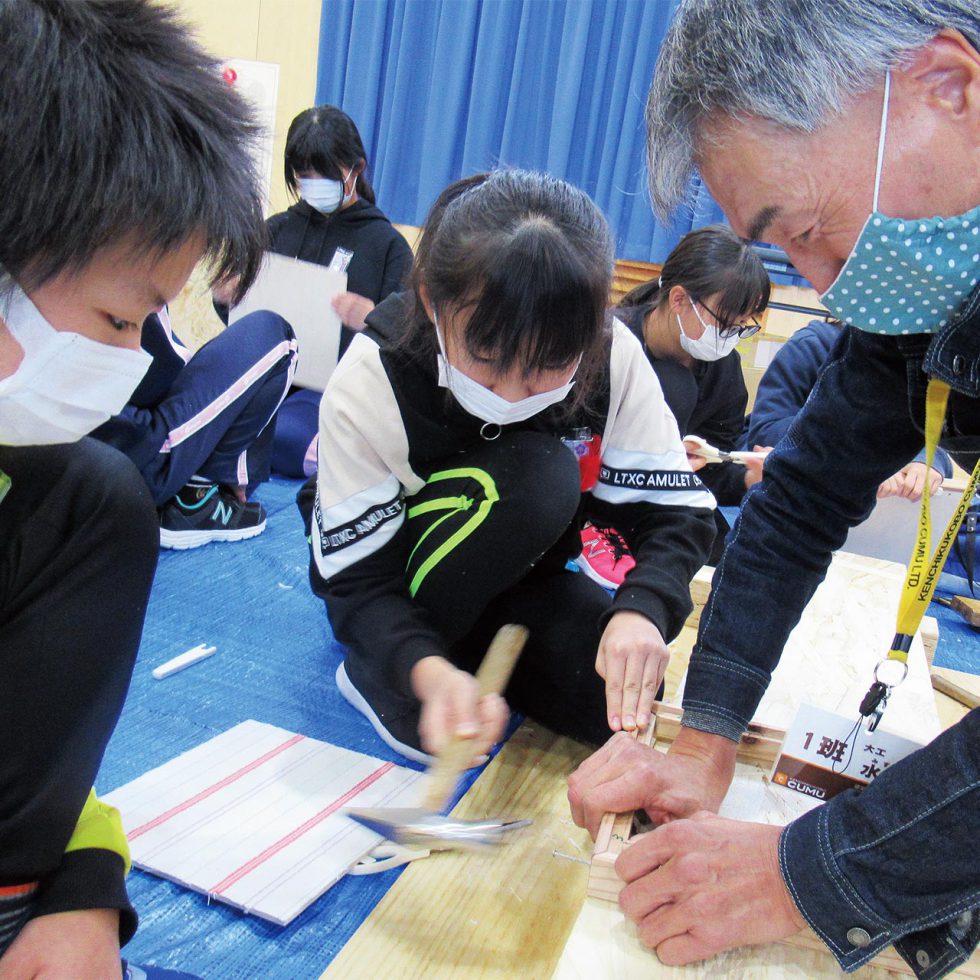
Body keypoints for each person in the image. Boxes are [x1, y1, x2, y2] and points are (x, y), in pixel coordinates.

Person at [568, 2, 979, 977]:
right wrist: (703, 734)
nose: (821, 285)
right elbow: (794, 503)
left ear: (945, 88)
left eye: (802, 228)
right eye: (779, 253)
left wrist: (811, 875)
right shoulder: (910, 307)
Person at [0, 1, 264, 975]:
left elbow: (39, 760)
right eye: (121, 318)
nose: (132, 354)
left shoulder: (53, 492)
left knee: (101, 496)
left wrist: (83, 883)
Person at [299, 170, 716, 765]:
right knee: (539, 477)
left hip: (524, 577)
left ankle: (473, 654)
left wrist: (642, 612)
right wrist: (423, 669)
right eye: (489, 358)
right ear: (431, 302)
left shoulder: (612, 351)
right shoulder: (373, 380)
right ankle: (393, 666)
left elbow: (677, 510)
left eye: (551, 363)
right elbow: (358, 579)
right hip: (408, 581)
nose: (517, 391)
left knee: (618, 704)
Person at [222, 105, 413, 479]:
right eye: (303, 175)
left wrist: (372, 318)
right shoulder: (275, 231)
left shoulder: (387, 245)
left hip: (328, 391)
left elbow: (409, 343)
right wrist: (228, 296)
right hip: (265, 380)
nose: (312, 185)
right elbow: (241, 323)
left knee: (287, 436)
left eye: (323, 175)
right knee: (204, 409)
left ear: (356, 168)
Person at [578, 224, 770, 585]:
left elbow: (712, 467)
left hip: (663, 497)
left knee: (726, 552)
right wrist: (651, 455)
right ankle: (597, 532)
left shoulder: (723, 370)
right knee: (672, 386)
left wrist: (746, 473)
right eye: (726, 323)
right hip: (597, 493)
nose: (730, 337)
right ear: (679, 299)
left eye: (743, 326)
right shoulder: (607, 345)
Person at [93, 304, 297, 549]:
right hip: (129, 451)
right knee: (276, 334)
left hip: (74, 446)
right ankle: (195, 497)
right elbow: (163, 366)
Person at [747, 317, 953, 501]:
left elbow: (932, 432)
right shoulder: (812, 344)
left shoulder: (921, 363)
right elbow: (766, 431)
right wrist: (870, 458)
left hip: (882, 517)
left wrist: (927, 462)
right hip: (799, 496)